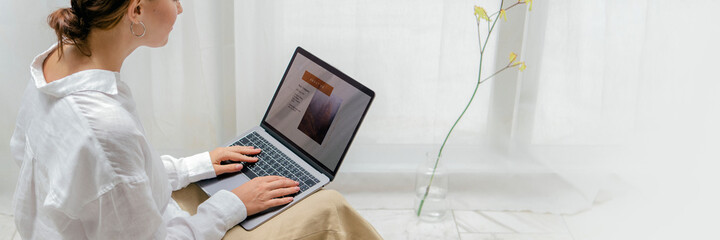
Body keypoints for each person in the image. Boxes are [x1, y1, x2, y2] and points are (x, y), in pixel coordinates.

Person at [9, 0, 381, 239]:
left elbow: (110, 182)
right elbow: (114, 169)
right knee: (329, 206)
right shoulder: (104, 128)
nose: (181, 8)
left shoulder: (57, 62)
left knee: (240, 179)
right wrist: (235, 204)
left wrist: (198, 165)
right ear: (135, 11)